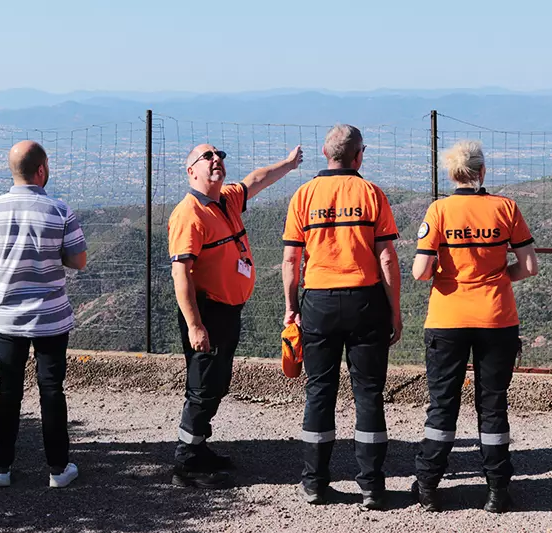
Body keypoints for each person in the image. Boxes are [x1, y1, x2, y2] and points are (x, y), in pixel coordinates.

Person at [412, 140, 538, 513]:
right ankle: (498, 491)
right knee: (493, 405)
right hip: (497, 318)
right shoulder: (505, 208)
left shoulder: (439, 210)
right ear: (482, 172)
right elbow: (529, 266)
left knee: (442, 406)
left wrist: (448, 275)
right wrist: (497, 277)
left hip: (447, 320)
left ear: (452, 175)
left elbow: (420, 272)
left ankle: (428, 487)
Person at [168, 142, 303, 489]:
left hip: (227, 311)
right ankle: (186, 463)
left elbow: (256, 180)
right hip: (208, 312)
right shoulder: (189, 214)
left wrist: (287, 164)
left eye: (219, 155)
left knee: (216, 382)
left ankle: (198, 448)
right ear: (191, 171)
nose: (216, 160)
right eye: (207, 157)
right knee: (203, 385)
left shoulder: (225, 200)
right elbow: (181, 274)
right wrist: (196, 326)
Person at [281, 124, 402, 510]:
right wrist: (394, 309)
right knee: (369, 394)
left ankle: (315, 483)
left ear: (324, 153)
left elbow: (290, 259)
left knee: (319, 392)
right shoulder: (371, 194)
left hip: (318, 299)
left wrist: (291, 308)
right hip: (366, 301)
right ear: (358, 155)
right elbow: (386, 257)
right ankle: (371, 487)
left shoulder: (304, 195)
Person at [0, 140, 87, 489]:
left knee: (8, 392)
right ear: (41, 169)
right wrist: (50, 258)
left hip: (7, 316)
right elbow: (78, 261)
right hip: (51, 316)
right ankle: (58, 469)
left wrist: (7, 262)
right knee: (51, 390)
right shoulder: (60, 210)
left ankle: (1, 468)